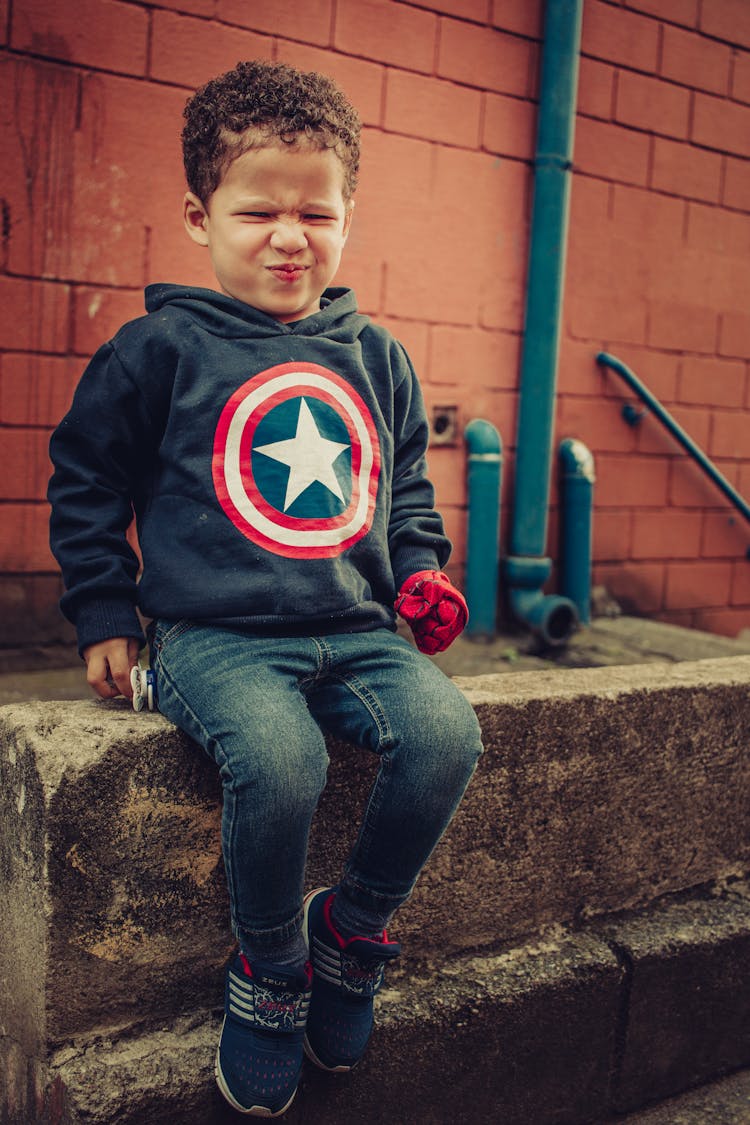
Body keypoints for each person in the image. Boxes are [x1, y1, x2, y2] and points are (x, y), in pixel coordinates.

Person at [48, 60, 484, 1118]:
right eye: (258, 211)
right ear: (200, 218)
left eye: (315, 212)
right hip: (216, 637)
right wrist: (105, 610)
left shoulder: (376, 356)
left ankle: (353, 933)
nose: (289, 234)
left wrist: (422, 573)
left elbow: (408, 489)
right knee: (281, 761)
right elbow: (87, 478)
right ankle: (271, 971)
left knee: (447, 737)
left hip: (359, 628)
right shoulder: (158, 350)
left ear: (348, 217)